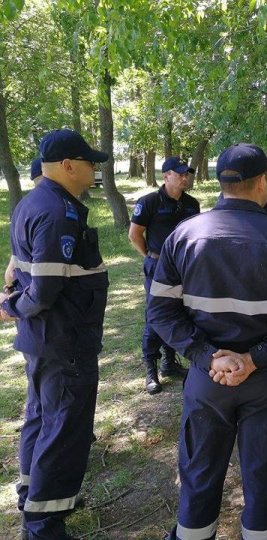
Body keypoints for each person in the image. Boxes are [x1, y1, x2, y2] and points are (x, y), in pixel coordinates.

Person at [147, 143, 267, 540]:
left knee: (198, 470)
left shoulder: (183, 236)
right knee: (264, 471)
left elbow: (159, 312)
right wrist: (253, 359)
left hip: (207, 379)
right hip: (263, 380)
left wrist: (207, 356)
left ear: (221, 183)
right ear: (262, 182)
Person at [0, 129, 109, 539]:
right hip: (65, 341)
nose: (94, 169)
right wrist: (11, 307)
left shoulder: (34, 202)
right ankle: (43, 523)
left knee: (41, 416)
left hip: (46, 338)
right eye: (89, 163)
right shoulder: (57, 212)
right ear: (67, 166)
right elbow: (43, 290)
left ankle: (32, 492)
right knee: (64, 427)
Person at [128, 157, 200, 394]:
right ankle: (151, 368)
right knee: (155, 316)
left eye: (186, 173)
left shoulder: (192, 204)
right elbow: (135, 234)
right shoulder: (149, 202)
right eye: (179, 173)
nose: (184, 177)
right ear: (165, 176)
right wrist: (149, 255)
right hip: (158, 266)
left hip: (184, 268)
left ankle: (170, 362)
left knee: (178, 313)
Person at [4, 158, 43, 293]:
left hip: (24, 290)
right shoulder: (47, 209)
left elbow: (9, 274)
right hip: (36, 297)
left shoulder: (23, 207)